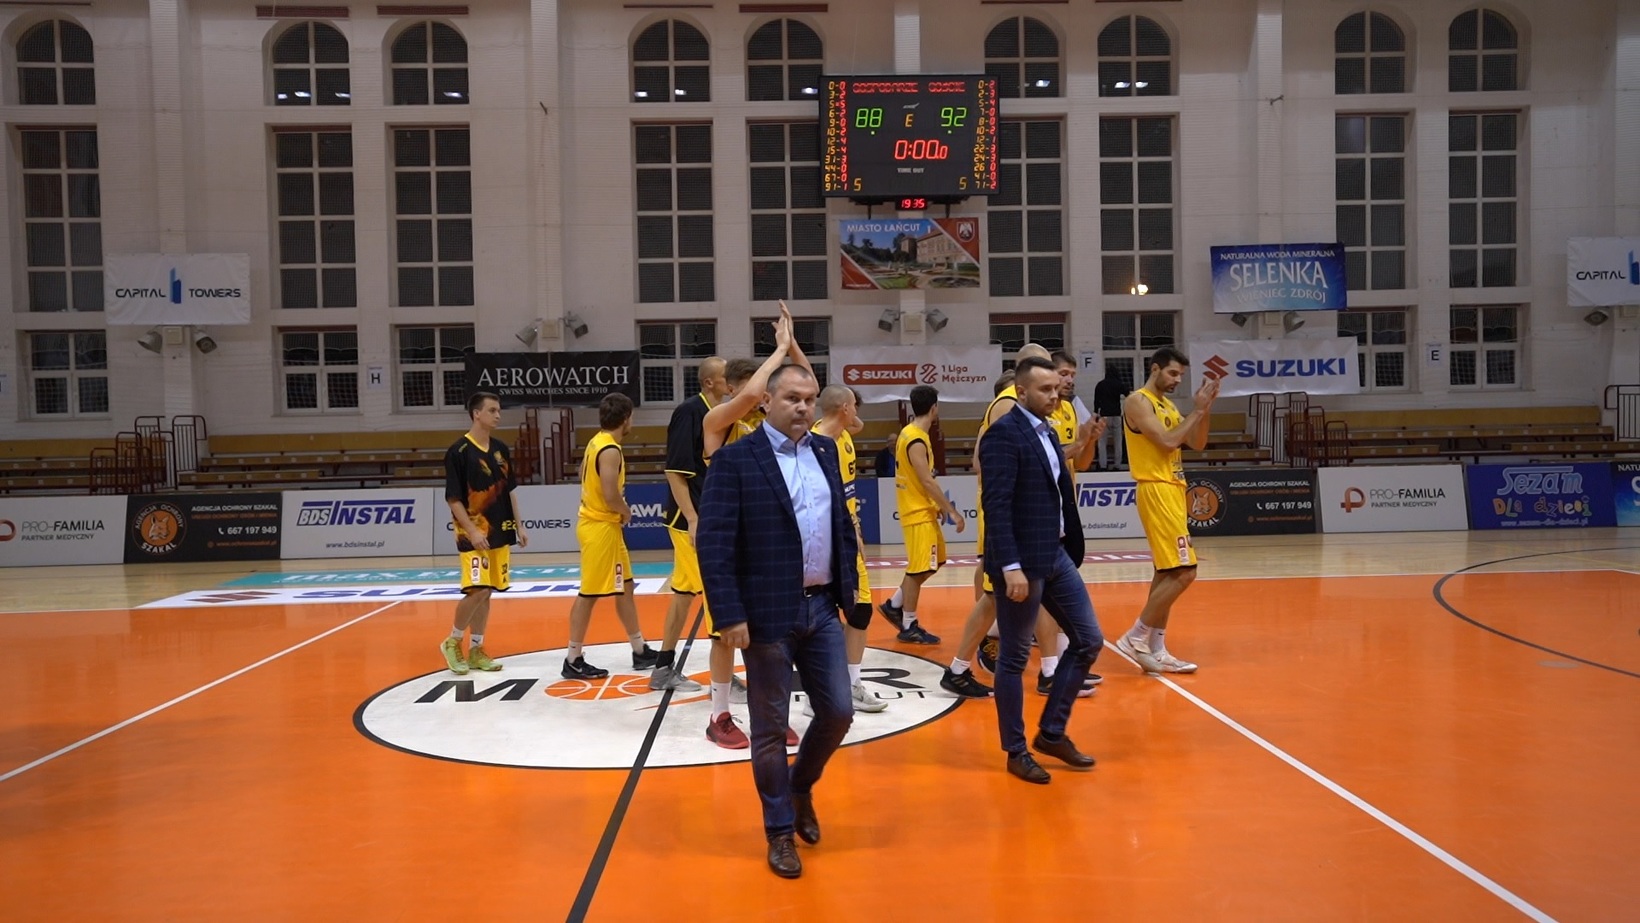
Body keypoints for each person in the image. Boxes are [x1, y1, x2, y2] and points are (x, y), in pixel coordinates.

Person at [697, 363, 859, 879]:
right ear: (766, 401)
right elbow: (714, 544)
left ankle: (799, 787)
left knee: (838, 712)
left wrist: (851, 590)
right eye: (792, 398)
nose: (803, 407)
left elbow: (840, 526)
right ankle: (779, 831)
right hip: (766, 613)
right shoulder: (735, 460)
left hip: (822, 606)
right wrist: (729, 613)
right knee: (769, 730)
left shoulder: (826, 451)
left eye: (809, 399)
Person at [979, 356, 1105, 784]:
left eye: (1057, 388)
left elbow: (1052, 475)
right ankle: (1016, 750)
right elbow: (996, 505)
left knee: (1088, 639)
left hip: (1055, 553)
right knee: (1014, 658)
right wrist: (1009, 566)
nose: (1056, 394)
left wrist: (1083, 441)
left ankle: (1051, 732)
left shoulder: (1046, 431)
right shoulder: (1002, 435)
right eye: (1046, 389)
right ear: (1021, 391)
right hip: (1022, 560)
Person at [697, 305, 811, 749]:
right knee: (725, 635)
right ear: (734, 388)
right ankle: (719, 715)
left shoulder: (770, 426)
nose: (763, 393)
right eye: (757, 386)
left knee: (773, 634)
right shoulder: (717, 421)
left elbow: (806, 382)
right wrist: (778, 350)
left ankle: (770, 713)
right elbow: (749, 398)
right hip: (730, 538)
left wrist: (792, 344)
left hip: (769, 537)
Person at [1116, 345, 1219, 674]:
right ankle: (1135, 637)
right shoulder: (1139, 401)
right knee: (1186, 572)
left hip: (1174, 488)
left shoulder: (1169, 405)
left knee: (1166, 573)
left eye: (1181, 375)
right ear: (1155, 369)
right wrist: (1195, 411)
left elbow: (1197, 443)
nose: (1177, 380)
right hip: (1156, 487)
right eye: (1173, 373)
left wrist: (1204, 410)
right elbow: (1167, 441)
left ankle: (1157, 647)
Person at [649, 356, 734, 693]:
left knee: (684, 594)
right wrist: (694, 518)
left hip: (707, 515)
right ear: (709, 382)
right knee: (717, 594)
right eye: (725, 376)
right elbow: (674, 471)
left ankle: (662, 668)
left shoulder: (722, 414)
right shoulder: (689, 412)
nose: (730, 381)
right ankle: (724, 678)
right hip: (691, 520)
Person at [561, 393, 658, 679]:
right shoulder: (610, 449)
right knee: (588, 595)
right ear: (626, 418)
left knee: (625, 587)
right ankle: (573, 658)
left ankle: (639, 649)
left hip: (604, 526)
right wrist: (626, 512)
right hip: (599, 528)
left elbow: (583, 472)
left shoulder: (597, 441)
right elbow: (609, 494)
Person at [810, 384, 888, 714]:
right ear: (844, 408)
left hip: (847, 532)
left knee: (860, 610)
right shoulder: (815, 442)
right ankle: (823, 692)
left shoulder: (842, 432)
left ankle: (849, 683)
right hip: (827, 538)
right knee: (822, 614)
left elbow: (856, 422)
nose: (857, 413)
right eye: (854, 405)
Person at [440, 391, 528, 675]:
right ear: (476, 414)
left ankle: (476, 649)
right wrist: (471, 531)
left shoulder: (501, 449)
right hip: (472, 533)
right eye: (492, 410)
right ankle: (452, 641)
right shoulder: (459, 451)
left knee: (488, 592)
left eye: (498, 410)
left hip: (500, 529)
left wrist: (519, 524)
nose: (498, 415)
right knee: (477, 590)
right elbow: (453, 499)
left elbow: (510, 490)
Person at [877, 384, 965, 644]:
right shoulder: (914, 438)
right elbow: (927, 480)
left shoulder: (911, 433)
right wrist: (951, 511)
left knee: (934, 563)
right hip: (916, 512)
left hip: (923, 509)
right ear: (934, 408)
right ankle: (909, 624)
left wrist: (935, 506)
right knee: (918, 570)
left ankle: (895, 603)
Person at [1093, 371, 1128, 471]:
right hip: (1116, 416)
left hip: (1104, 416)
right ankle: (1117, 464)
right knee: (1118, 441)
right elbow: (1127, 393)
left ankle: (1103, 465)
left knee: (1102, 442)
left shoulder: (1100, 385)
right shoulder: (1118, 384)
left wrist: (1096, 412)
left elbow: (1096, 400)